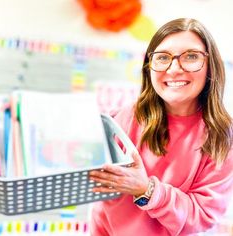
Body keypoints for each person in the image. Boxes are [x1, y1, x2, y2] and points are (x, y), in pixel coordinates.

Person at [89, 18, 233, 235]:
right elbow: (102, 206)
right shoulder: (122, 119)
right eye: (163, 57)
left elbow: (202, 217)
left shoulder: (222, 137)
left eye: (191, 56)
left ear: (210, 66)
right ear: (149, 67)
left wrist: (146, 190)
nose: (174, 69)